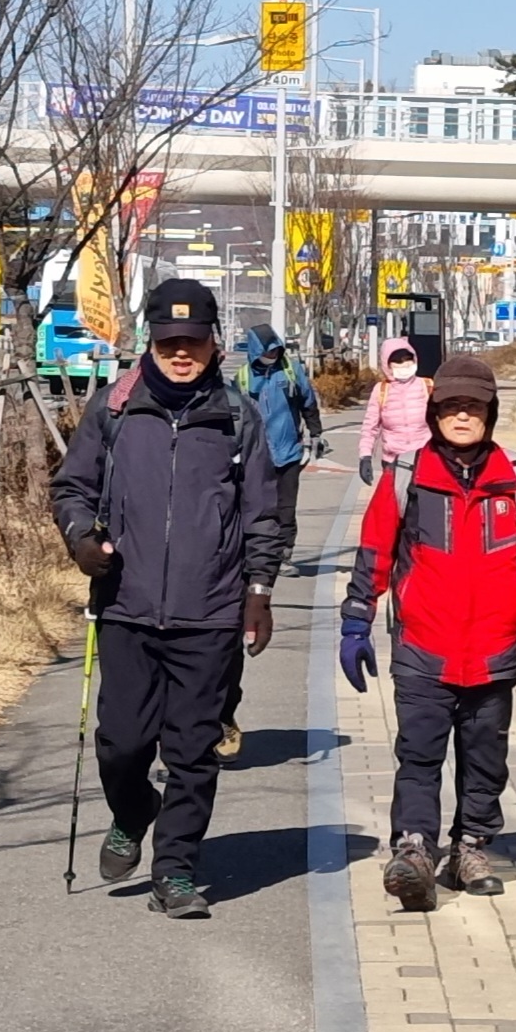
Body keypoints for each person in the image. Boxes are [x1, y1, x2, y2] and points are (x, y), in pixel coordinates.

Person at [51, 279, 283, 920]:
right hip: (126, 605)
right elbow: (71, 488)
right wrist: (81, 539)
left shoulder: (238, 417)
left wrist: (259, 592)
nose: (182, 353)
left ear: (214, 344)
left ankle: (175, 872)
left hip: (209, 611)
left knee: (193, 751)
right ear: (150, 343)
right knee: (122, 744)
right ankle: (132, 812)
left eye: (194, 342)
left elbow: (263, 514)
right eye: (169, 342)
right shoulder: (114, 411)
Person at [340, 356, 516, 912]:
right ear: (435, 413)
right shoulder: (407, 476)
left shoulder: (515, 478)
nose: (462, 417)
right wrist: (357, 620)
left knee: (485, 755)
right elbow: (374, 552)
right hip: (424, 646)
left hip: (493, 649)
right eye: (451, 407)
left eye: (474, 408)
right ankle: (415, 849)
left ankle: (470, 847)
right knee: (419, 754)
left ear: (490, 413)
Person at [214, 323, 323, 760]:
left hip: (286, 452)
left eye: (276, 350)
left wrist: (315, 432)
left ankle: (285, 551)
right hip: (251, 460)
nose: (272, 356)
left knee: (282, 511)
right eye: (267, 351)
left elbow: (308, 402)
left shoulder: (290, 373)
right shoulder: (241, 383)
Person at [357, 336, 430, 486]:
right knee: (395, 500)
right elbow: (370, 427)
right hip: (393, 461)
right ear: (387, 364)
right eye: (398, 361)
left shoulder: (427, 386)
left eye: (408, 359)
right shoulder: (381, 390)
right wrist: (365, 457)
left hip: (425, 459)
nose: (404, 365)